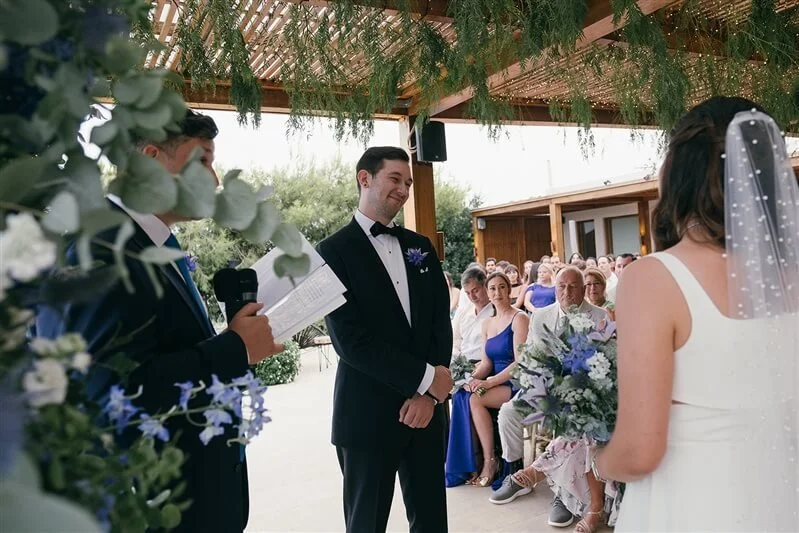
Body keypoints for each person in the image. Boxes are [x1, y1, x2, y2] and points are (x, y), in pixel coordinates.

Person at [35, 110, 283, 533]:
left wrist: (236, 341)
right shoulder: (101, 250)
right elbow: (108, 396)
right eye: (202, 160)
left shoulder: (147, 243)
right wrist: (234, 348)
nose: (216, 180)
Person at [594, 97, 799, 532]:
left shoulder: (654, 279)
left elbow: (640, 451)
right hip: (783, 497)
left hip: (693, 506)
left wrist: (595, 461)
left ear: (679, 171)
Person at [317, 146, 453, 533]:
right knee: (366, 524)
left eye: (408, 182)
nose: (404, 189)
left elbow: (438, 325)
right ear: (365, 179)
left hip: (426, 415)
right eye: (395, 179)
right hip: (366, 414)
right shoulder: (331, 251)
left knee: (431, 521)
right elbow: (349, 340)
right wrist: (424, 381)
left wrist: (428, 396)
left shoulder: (420, 247)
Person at [492, 266, 609, 530]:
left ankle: (555, 489)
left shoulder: (600, 316)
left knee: (575, 417)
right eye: (561, 287)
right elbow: (532, 357)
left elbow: (604, 365)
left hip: (584, 392)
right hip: (544, 387)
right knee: (509, 412)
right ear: (554, 289)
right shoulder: (542, 316)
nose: (566, 292)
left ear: (583, 290)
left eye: (573, 287)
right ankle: (515, 470)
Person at [446, 272, 528, 487]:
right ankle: (478, 461)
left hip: (515, 381)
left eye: (501, 287)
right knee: (465, 393)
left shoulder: (519, 318)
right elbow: (486, 364)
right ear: (488, 292)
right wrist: (467, 379)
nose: (497, 292)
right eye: (492, 288)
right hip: (495, 377)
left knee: (476, 399)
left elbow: (520, 363)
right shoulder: (488, 324)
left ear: (509, 290)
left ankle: (490, 462)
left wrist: (489, 382)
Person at [451, 267, 493, 363]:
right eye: (468, 293)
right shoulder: (463, 312)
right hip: (462, 361)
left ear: (485, 286)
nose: (472, 297)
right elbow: (455, 340)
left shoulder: (495, 312)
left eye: (475, 291)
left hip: (485, 363)